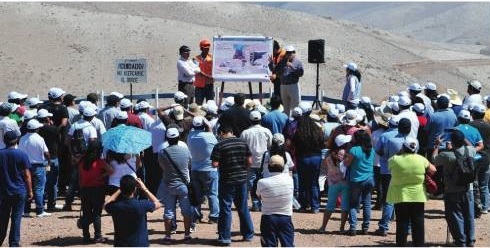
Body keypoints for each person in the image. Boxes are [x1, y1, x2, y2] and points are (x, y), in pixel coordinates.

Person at [387, 137, 436, 247]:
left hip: (400, 194)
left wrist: (400, 153)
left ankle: (401, 244)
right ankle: (418, 244)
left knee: (402, 222)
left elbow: (389, 167)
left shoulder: (394, 159)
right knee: (418, 222)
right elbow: (433, 170)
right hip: (418, 194)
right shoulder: (421, 159)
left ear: (403, 147)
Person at [211, 125, 254, 246]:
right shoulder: (243, 143)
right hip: (241, 180)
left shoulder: (219, 145)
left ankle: (225, 237)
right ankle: (248, 234)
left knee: (225, 208)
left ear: (222, 133)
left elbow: (214, 164)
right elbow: (250, 162)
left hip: (226, 180)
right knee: (243, 207)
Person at [433, 130, 476, 246]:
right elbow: (471, 147)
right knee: (469, 215)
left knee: (455, 215)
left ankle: (460, 241)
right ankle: (470, 240)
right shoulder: (470, 151)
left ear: (452, 141)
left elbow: (434, 160)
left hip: (452, 190)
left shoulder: (447, 155)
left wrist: (437, 145)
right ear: (463, 141)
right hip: (468, 189)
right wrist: (463, 137)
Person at [374, 118, 412, 236]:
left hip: (388, 171)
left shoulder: (388, 138)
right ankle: (408, 228)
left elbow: (380, 152)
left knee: (389, 200)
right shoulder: (414, 140)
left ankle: (384, 227)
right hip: (406, 173)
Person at [105, 175, 162, 247]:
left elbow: (106, 204)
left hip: (121, 244)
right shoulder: (142, 205)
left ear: (121, 188)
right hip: (140, 244)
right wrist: (144, 189)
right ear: (135, 189)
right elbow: (158, 204)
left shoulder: (116, 206)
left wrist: (119, 190)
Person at [158, 127, 193, 242]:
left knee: (168, 211)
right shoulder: (186, 150)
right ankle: (187, 235)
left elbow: (162, 168)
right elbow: (189, 166)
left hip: (169, 185)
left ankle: (168, 236)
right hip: (183, 185)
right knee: (186, 211)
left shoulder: (162, 153)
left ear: (167, 139)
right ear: (178, 137)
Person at [0, 131, 33, 247]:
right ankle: (14, 243)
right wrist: (30, 191)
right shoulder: (22, 154)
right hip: (19, 191)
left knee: (2, 219)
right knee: (16, 218)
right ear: (16, 140)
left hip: (3, 192)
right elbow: (27, 175)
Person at [256, 155, 295, 247]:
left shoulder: (261, 182)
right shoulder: (290, 180)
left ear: (269, 167)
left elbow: (259, 196)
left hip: (268, 218)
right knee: (288, 245)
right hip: (286, 217)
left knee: (269, 245)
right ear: (283, 167)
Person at [78, 141, 113, 244]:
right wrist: (101, 176)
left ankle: (86, 237)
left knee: (86, 213)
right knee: (97, 213)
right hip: (98, 189)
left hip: (85, 189)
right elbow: (111, 170)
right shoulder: (99, 161)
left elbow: (80, 177)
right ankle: (97, 236)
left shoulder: (82, 161)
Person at [292, 105, 325, 213]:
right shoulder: (317, 129)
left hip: (303, 158)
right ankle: (315, 206)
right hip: (316, 157)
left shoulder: (299, 132)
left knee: (303, 182)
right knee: (314, 182)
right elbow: (322, 143)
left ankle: (303, 205)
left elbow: (294, 145)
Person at [187, 116, 219, 224]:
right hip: (210, 169)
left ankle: (197, 215)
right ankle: (213, 216)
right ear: (204, 125)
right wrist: (207, 125)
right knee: (212, 194)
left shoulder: (190, 136)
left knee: (197, 194)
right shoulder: (210, 136)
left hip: (195, 169)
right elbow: (210, 133)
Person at [240, 110, 273, 212]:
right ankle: (260, 204)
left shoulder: (245, 133)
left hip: (250, 162)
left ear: (250, 120)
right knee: (262, 184)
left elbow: (241, 147)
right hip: (264, 162)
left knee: (248, 185)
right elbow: (271, 146)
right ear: (260, 120)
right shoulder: (266, 131)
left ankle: (245, 204)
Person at [19, 119, 52, 217]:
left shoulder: (22, 138)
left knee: (26, 188)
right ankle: (39, 211)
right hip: (38, 166)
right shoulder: (39, 138)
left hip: (25, 166)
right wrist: (49, 162)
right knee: (39, 189)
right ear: (36, 129)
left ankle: (26, 210)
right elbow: (46, 153)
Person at [319, 134, 351, 233]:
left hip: (333, 182)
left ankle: (323, 227)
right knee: (345, 205)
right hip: (345, 182)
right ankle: (341, 228)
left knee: (330, 205)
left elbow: (325, 167)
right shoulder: (348, 153)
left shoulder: (328, 153)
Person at [37, 109, 63, 212]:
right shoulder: (54, 129)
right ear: (47, 118)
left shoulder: (36, 129)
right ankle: (51, 205)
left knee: (41, 183)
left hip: (39, 158)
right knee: (52, 183)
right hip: (52, 157)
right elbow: (59, 140)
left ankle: (41, 204)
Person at [469, 104, 490, 214]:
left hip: (475, 157)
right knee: (484, 184)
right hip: (486, 157)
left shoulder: (471, 125)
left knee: (473, 183)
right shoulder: (488, 125)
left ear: (474, 114)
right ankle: (486, 206)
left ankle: (476, 205)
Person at [279, 45, 304, 116]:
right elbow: (277, 71)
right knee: (285, 106)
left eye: (290, 53)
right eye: (287, 53)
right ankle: (287, 122)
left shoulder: (298, 62)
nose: (288, 54)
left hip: (293, 85)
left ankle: (296, 123)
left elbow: (301, 74)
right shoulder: (282, 61)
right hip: (283, 85)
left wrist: (292, 66)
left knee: (296, 106)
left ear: (294, 53)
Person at [194, 39, 215, 105]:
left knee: (210, 105)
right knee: (198, 105)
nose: (207, 50)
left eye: (208, 49)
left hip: (209, 85)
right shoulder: (195, 59)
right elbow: (197, 71)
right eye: (205, 49)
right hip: (199, 86)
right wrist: (208, 76)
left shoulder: (212, 57)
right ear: (201, 48)